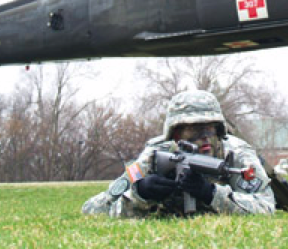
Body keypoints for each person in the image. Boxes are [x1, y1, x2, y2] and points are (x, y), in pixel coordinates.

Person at [81, 90, 275, 218]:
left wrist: (211, 194)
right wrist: (140, 194)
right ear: (175, 134)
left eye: (210, 129)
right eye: (195, 131)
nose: (205, 138)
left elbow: (266, 208)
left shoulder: (236, 155)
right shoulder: (154, 156)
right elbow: (93, 209)